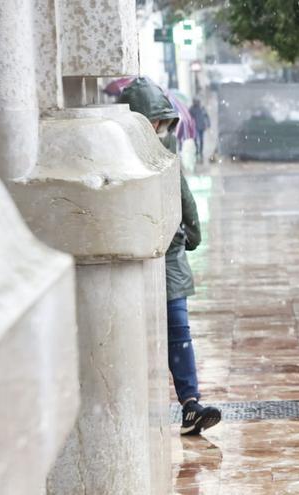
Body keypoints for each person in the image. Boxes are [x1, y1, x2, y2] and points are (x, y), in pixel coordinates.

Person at [119, 78, 222, 436]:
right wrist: (189, 234)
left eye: (162, 123)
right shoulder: (128, 155)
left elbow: (185, 201)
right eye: (154, 122)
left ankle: (190, 403)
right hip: (142, 255)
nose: (159, 130)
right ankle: (160, 404)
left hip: (169, 256)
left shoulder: (164, 153)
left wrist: (188, 236)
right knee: (152, 332)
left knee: (177, 329)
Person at [189, 97, 211, 161]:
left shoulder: (202, 108)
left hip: (201, 126)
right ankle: (197, 151)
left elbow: (206, 116)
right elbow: (189, 117)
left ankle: (200, 152)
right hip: (195, 127)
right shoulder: (191, 109)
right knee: (195, 139)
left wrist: (208, 124)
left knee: (201, 140)